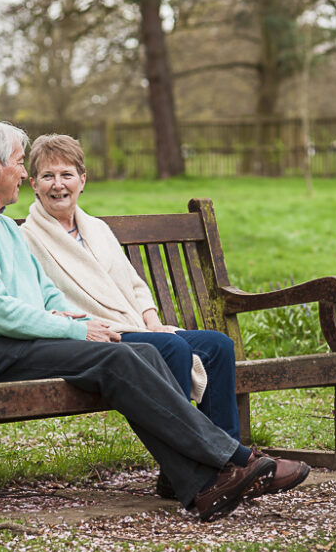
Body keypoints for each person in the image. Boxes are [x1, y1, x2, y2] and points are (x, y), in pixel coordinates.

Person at [0, 117, 309, 521]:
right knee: (119, 359)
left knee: (138, 350)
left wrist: (70, 316)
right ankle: (236, 461)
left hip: (19, 343)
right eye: (20, 163)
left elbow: (45, 292)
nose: (23, 173)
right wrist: (76, 328)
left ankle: (202, 483)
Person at [19, 134, 306, 500]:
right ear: (33, 184)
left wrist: (152, 320)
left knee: (217, 345)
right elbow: (43, 302)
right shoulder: (28, 238)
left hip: (137, 326)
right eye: (47, 176)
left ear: (83, 180)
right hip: (96, 335)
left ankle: (229, 466)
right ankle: (195, 468)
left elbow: (135, 285)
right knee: (172, 349)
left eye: (66, 174)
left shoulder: (97, 230)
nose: (58, 185)